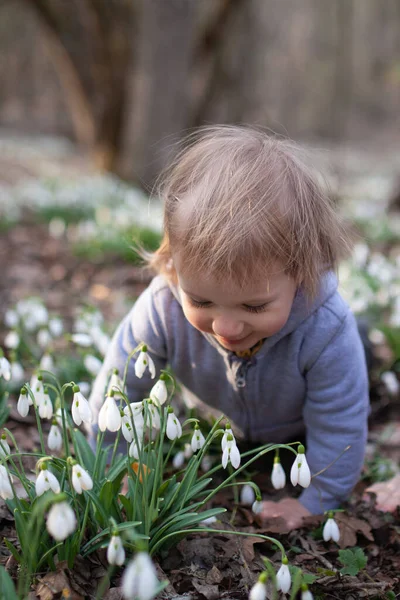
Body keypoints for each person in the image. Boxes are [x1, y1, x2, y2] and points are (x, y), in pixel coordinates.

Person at [87, 125, 369, 528]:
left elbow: (340, 420)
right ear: (172, 263)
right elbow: (120, 385)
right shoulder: (162, 307)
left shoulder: (325, 327)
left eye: (254, 305)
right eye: (200, 300)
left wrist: (317, 501)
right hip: (212, 430)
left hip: (296, 438)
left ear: (304, 273)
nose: (225, 326)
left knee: (349, 371)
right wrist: (109, 470)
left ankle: (370, 353)